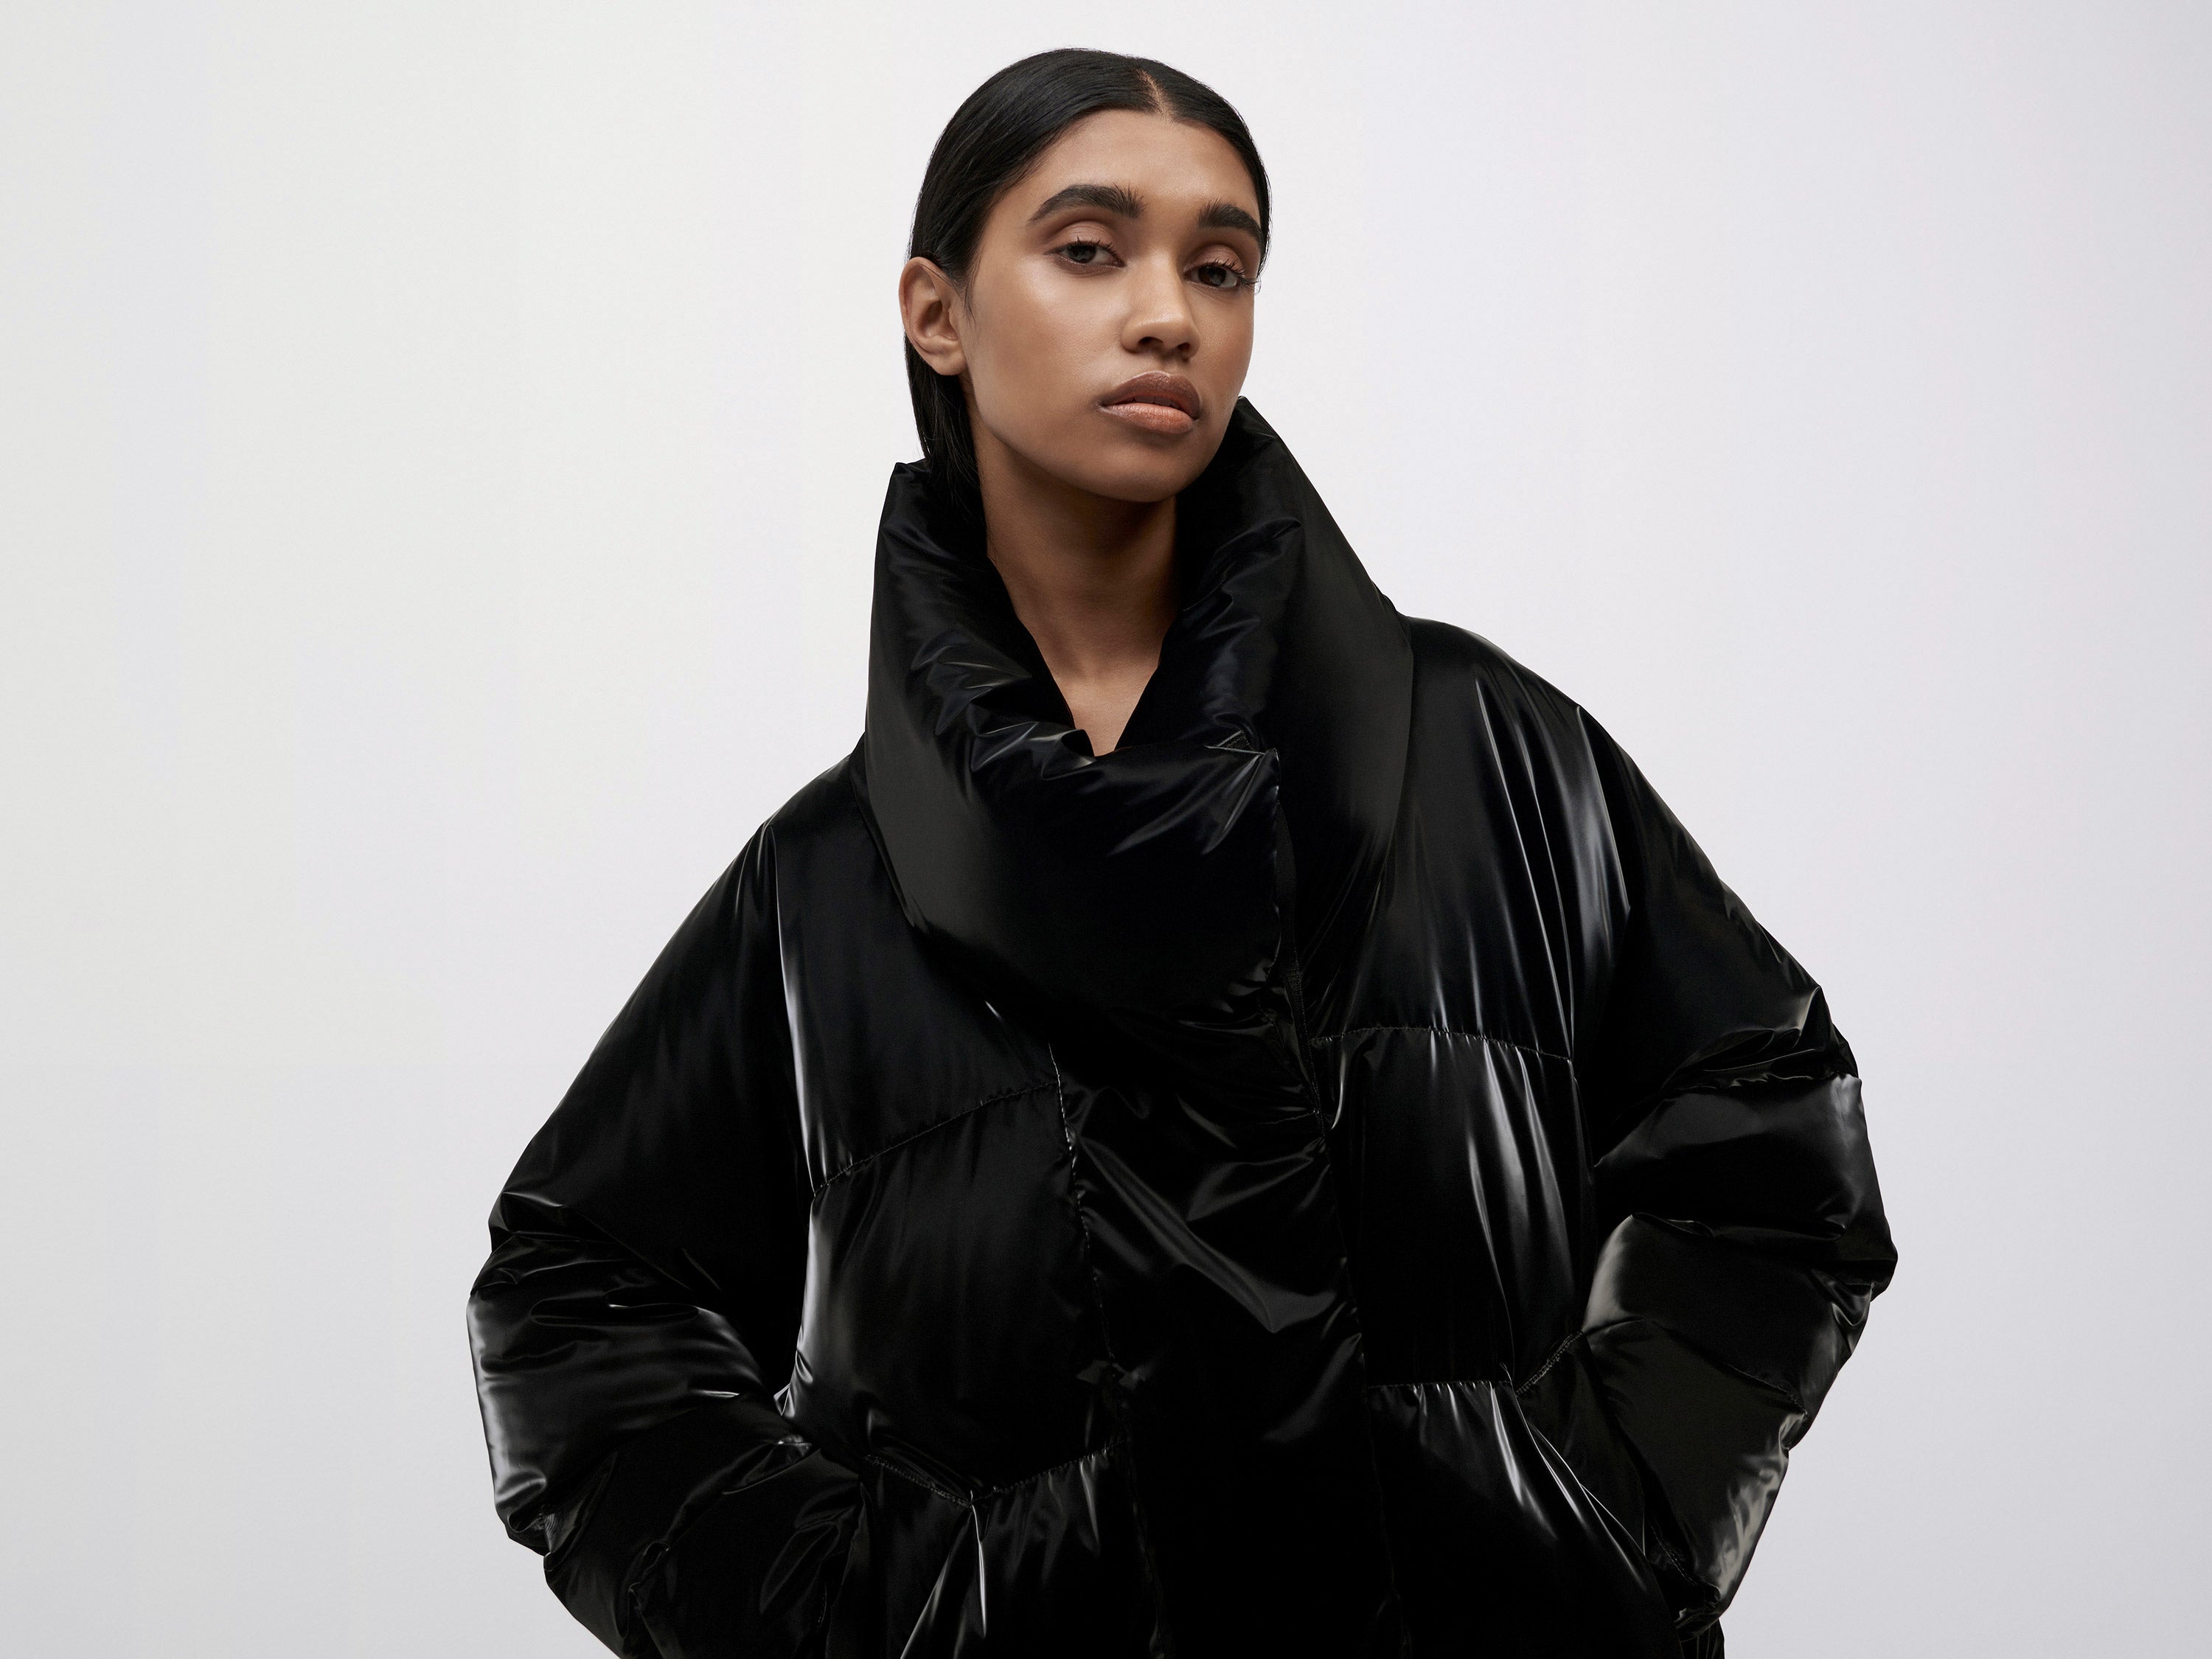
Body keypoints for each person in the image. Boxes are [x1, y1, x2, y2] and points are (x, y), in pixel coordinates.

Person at [467, 48, 1894, 1659]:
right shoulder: (824, 878)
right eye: (1090, 250)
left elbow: (1766, 1139)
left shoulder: (1484, 747)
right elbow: (575, 1295)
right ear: (938, 313)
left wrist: (1597, 1506)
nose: (1169, 316)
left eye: (1221, 268)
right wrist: (862, 1610)